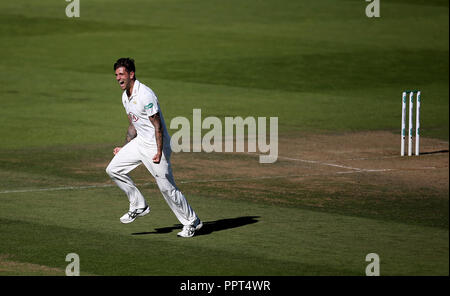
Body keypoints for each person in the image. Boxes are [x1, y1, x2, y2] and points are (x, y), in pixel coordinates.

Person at [106, 57, 202, 238]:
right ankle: (138, 205)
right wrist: (125, 147)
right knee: (113, 169)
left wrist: (159, 152)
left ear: (131, 74)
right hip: (140, 142)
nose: (118, 78)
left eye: (121, 74)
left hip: (157, 146)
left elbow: (157, 125)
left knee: (167, 188)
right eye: (116, 75)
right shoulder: (125, 96)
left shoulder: (145, 95)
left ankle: (192, 222)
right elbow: (134, 125)